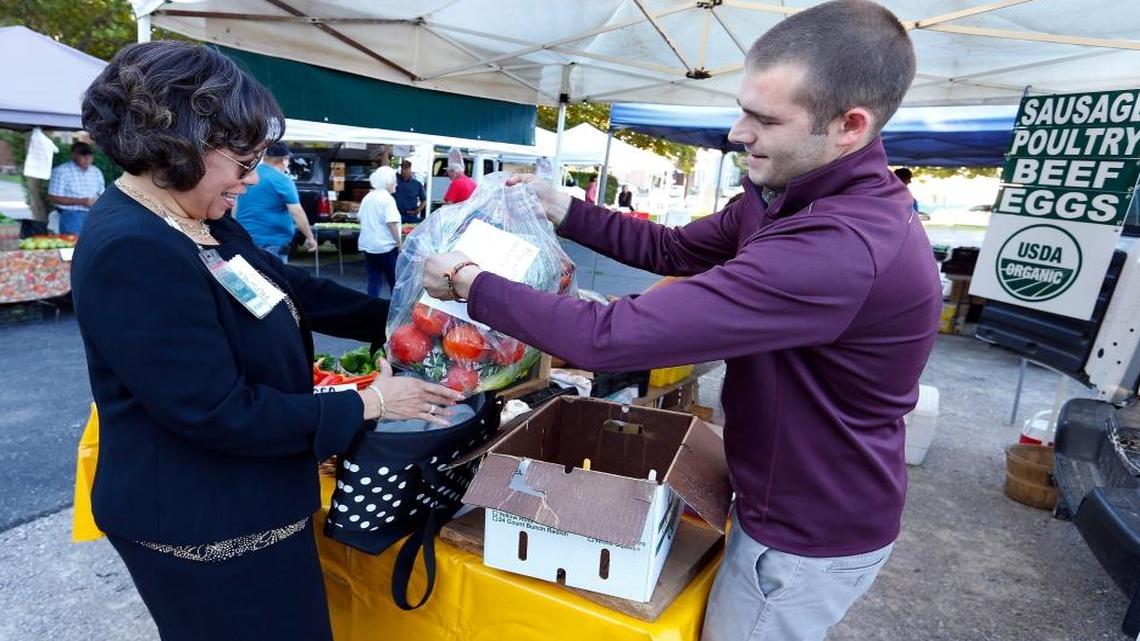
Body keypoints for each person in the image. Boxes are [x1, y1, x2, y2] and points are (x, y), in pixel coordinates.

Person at [422, 2, 941, 640]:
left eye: (763, 118)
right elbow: (672, 249)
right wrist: (563, 209)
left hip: (807, 528)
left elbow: (605, 340)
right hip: (774, 492)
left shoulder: (838, 248)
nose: (736, 132)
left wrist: (468, 281)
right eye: (743, 106)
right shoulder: (788, 194)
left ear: (849, 126)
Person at [72, 41, 463, 641]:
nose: (253, 179)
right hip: (201, 519)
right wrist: (370, 402)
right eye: (242, 159)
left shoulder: (195, 216)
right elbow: (214, 411)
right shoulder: (134, 248)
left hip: (243, 499)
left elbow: (287, 287)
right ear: (181, 144)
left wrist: (408, 314)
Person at [233, 142, 317, 263]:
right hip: (272, 241)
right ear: (285, 159)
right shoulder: (282, 180)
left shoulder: (249, 174)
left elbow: (236, 203)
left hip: (245, 237)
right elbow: (296, 212)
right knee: (274, 279)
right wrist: (310, 237)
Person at [359, 166, 402, 298]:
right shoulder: (387, 199)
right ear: (388, 182)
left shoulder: (368, 197)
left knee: (374, 280)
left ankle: (371, 307)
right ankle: (396, 310)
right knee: (394, 281)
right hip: (385, 246)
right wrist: (400, 244)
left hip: (368, 245)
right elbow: (392, 224)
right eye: (394, 181)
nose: (396, 184)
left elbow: (360, 217)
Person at [48, 141, 105, 236]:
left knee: (94, 245)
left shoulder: (96, 171)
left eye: (90, 154)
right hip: (71, 215)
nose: (87, 158)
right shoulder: (61, 171)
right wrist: (81, 201)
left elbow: (101, 192)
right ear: (73, 155)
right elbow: (53, 197)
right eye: (83, 154)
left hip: (94, 214)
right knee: (74, 245)